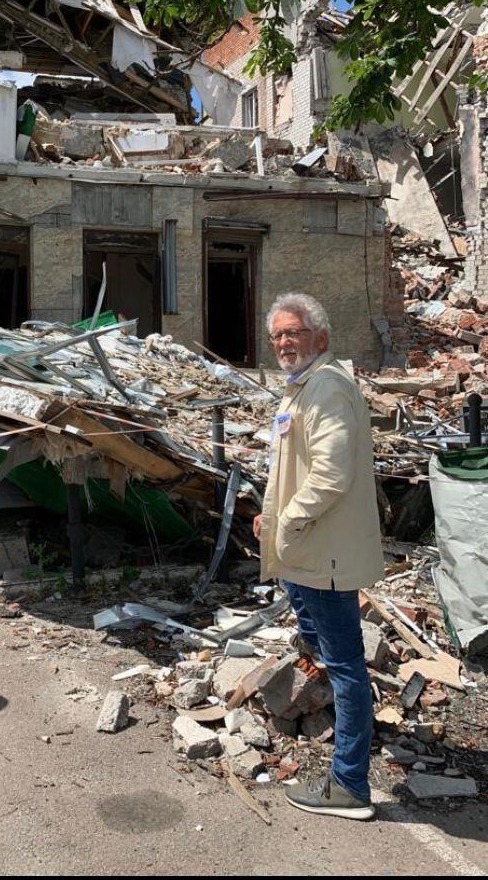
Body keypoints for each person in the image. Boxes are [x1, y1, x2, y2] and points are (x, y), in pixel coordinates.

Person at [254, 292, 384, 820]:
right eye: (277, 335)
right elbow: (298, 467)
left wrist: (287, 520)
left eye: (295, 332)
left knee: (347, 667)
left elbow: (331, 474)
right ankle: (346, 722)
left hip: (322, 552)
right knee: (321, 640)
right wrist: (273, 518)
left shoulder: (327, 387)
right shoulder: (302, 388)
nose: (284, 342)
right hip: (305, 548)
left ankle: (349, 784)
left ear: (321, 338)